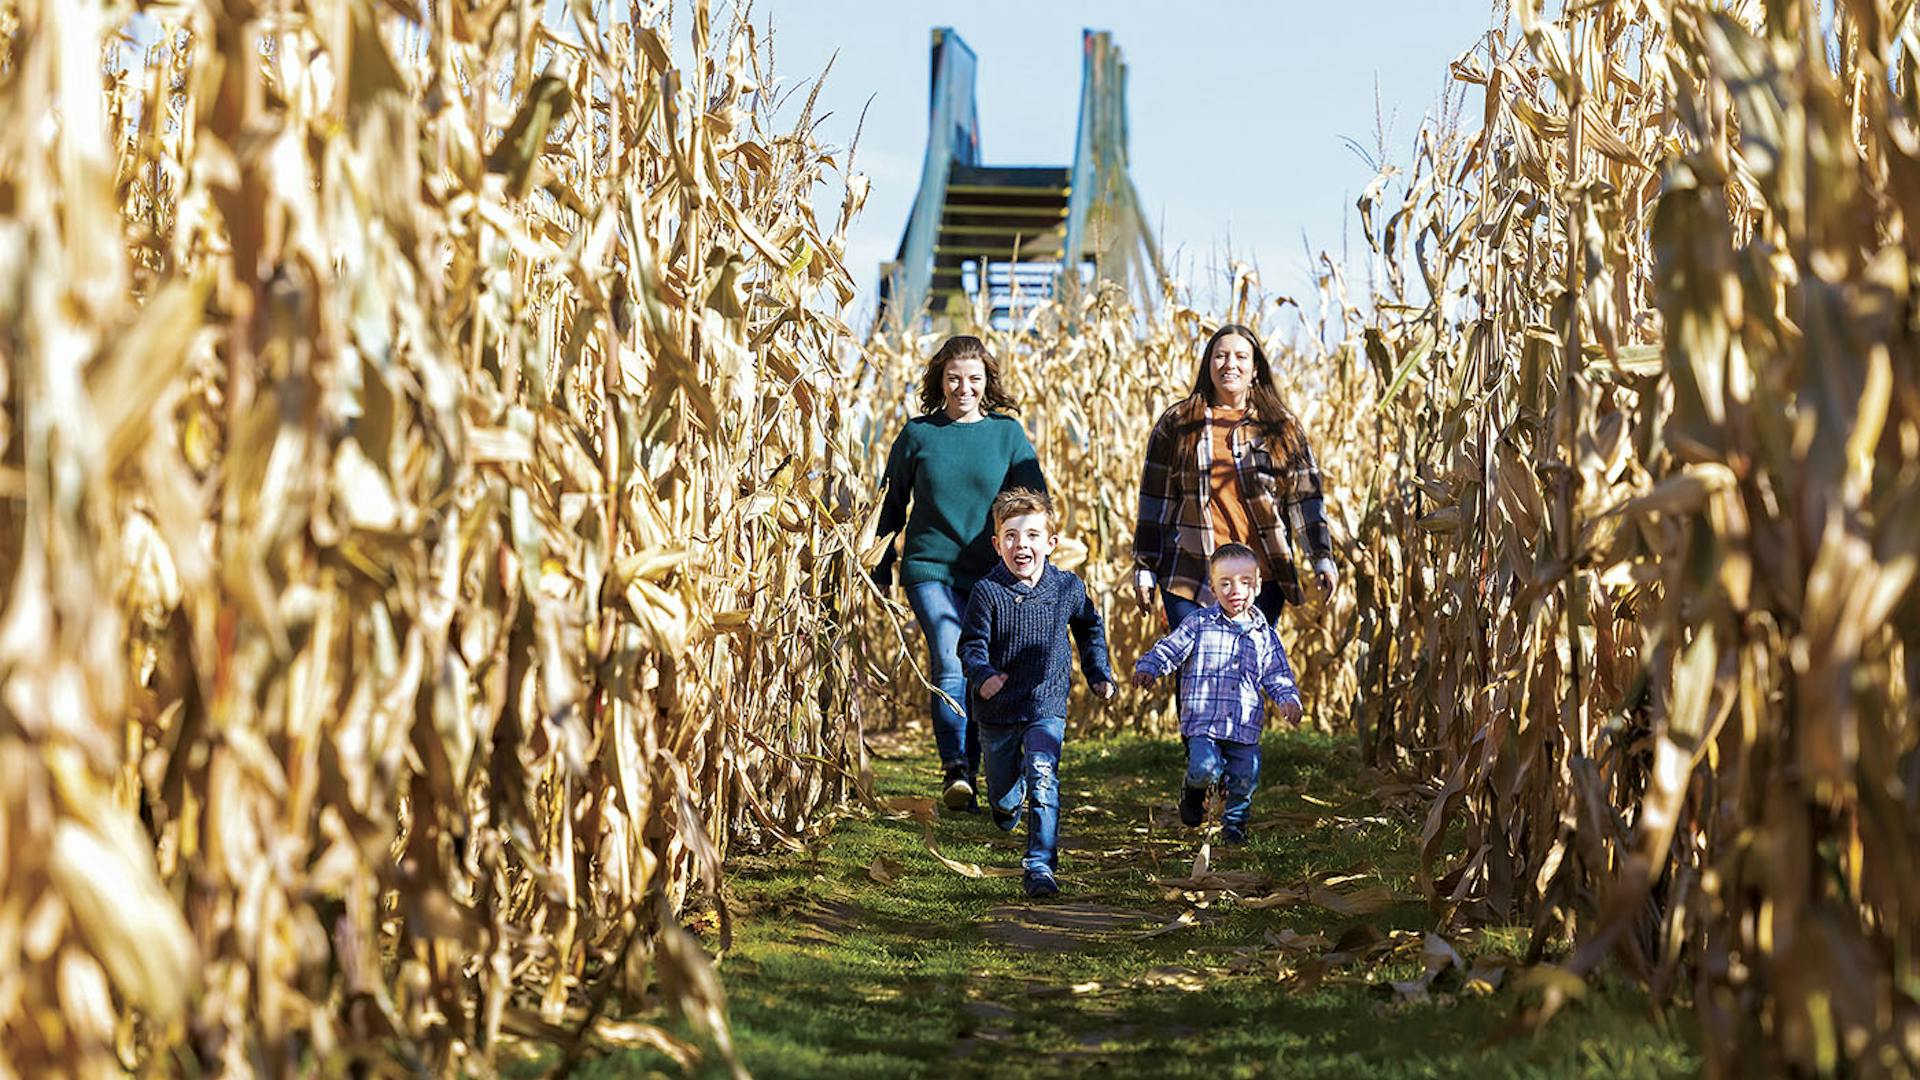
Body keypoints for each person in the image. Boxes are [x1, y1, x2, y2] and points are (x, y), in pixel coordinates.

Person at [873, 336, 1046, 811]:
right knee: (951, 658)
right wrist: (881, 565)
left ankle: (978, 767)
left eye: (974, 379)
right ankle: (956, 770)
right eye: (954, 378)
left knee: (983, 668)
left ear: (987, 381)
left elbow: (1034, 504)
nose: (964, 387)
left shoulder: (1007, 435)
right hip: (930, 567)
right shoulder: (918, 435)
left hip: (992, 575)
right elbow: (890, 503)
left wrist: (1033, 562)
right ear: (940, 381)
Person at [957, 489, 1116, 898]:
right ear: (997, 544)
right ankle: (1006, 803)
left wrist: (1098, 671)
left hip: (1046, 701)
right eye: (1010, 536)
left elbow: (1089, 628)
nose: (1020, 545)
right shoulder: (987, 592)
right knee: (1005, 796)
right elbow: (971, 644)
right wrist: (983, 673)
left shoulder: (1066, 588)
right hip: (997, 709)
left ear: (1050, 543)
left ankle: (1040, 866)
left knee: (1043, 773)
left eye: (1031, 535)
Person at [1131, 324, 1338, 629]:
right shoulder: (1178, 424)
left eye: (1241, 356)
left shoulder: (1280, 428)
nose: (1230, 364)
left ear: (1255, 369)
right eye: (1221, 356)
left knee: (1247, 675)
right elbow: (1154, 502)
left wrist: (1321, 556)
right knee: (1195, 672)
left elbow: (1304, 498)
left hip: (1259, 580)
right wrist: (1145, 567)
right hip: (1191, 574)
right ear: (1208, 365)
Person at [1131, 544, 1302, 845]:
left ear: (1258, 585)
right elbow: (1170, 649)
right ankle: (1194, 791)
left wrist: (1288, 699)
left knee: (1245, 776)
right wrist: (1150, 667)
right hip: (1204, 722)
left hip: (1243, 726)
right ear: (1212, 588)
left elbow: (1277, 674)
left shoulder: (1265, 635)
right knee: (1204, 768)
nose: (1235, 590)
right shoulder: (1199, 624)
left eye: (1245, 582)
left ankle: (1235, 824)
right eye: (1225, 583)